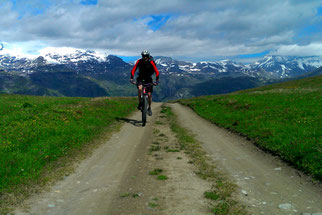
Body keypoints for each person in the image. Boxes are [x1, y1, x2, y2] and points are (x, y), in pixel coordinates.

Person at [130, 50, 159, 116]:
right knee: (140, 89)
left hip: (148, 79)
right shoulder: (139, 61)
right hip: (140, 77)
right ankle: (140, 103)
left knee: (149, 94)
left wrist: (157, 80)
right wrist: (131, 78)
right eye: (143, 56)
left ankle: (149, 108)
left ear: (148, 56)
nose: (144, 57)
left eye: (146, 56)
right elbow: (133, 70)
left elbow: (157, 72)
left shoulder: (151, 62)